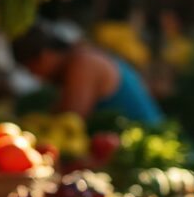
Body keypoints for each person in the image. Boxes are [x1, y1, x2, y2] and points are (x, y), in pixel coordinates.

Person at [13, 21, 163, 123]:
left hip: (149, 140)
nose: (35, 76)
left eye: (31, 69)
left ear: (44, 56)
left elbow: (70, 120)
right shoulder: (81, 55)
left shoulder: (83, 64)